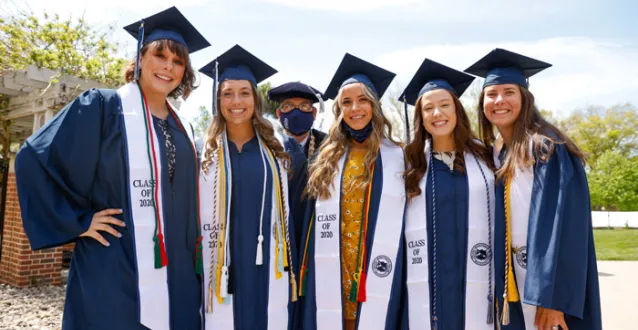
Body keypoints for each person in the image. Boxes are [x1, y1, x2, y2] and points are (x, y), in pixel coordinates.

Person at [15, 7, 209, 330]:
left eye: (177, 61)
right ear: (140, 57)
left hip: (178, 279)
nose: (168, 67)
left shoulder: (186, 130)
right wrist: (78, 222)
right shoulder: (103, 108)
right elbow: (33, 158)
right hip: (113, 271)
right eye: (160, 55)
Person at [466, 48, 602, 330]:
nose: (499, 100)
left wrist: (554, 300)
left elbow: (564, 229)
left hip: (547, 294)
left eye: (509, 92)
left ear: (525, 98)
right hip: (514, 281)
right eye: (491, 94)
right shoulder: (500, 152)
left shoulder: (545, 149)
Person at [197, 44, 307, 330]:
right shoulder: (201, 152)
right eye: (227, 93)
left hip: (271, 264)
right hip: (219, 264)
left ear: (255, 99)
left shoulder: (283, 150)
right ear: (216, 100)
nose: (236, 101)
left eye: (244, 93)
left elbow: (296, 211)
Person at [298, 53, 407, 330]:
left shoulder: (396, 157)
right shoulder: (326, 158)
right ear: (339, 109)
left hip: (378, 271)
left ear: (375, 105)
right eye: (346, 102)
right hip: (333, 270)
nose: (355, 108)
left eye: (363, 100)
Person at [401, 58, 497, 330]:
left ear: (457, 110)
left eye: (445, 105)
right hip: (427, 280)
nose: (437, 113)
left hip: (477, 272)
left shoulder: (486, 158)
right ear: (420, 117)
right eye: (428, 108)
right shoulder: (409, 163)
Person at [268, 82, 328, 160]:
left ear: (314, 113)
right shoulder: (269, 145)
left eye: (304, 106)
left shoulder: (328, 145)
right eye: (289, 106)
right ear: (279, 114)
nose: (296, 113)